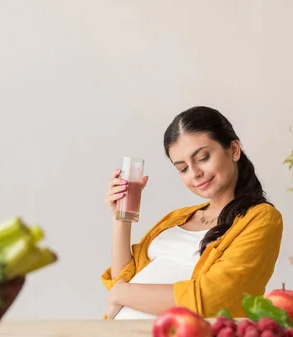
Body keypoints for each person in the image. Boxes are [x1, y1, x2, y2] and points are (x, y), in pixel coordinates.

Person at [101, 106, 283, 320]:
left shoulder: (261, 218)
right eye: (183, 168)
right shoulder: (177, 218)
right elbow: (123, 278)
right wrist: (121, 218)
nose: (195, 173)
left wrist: (122, 293)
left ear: (234, 150)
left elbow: (215, 298)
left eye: (203, 157)